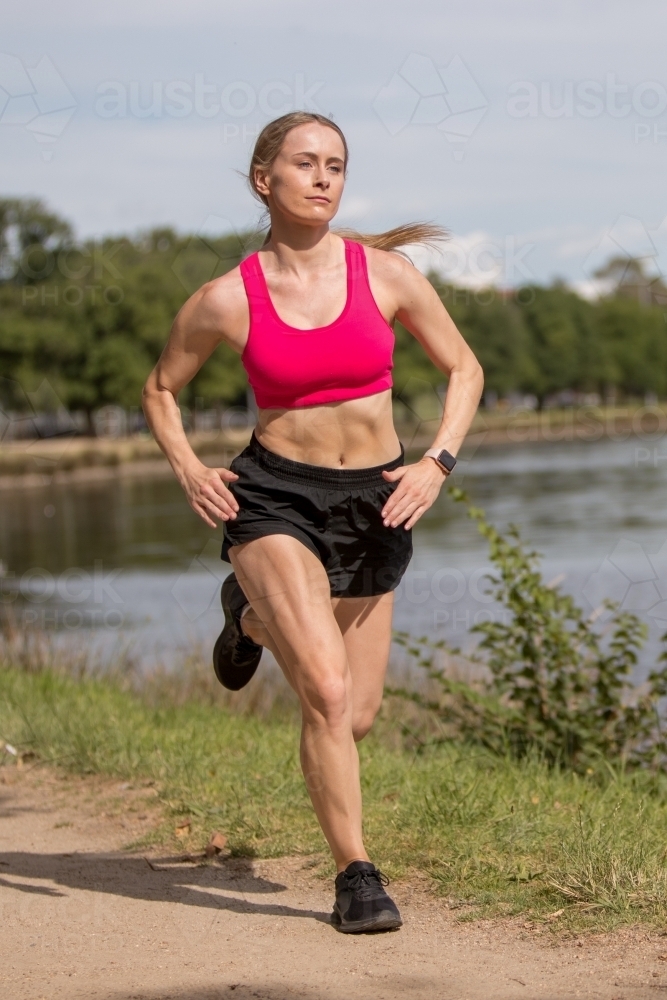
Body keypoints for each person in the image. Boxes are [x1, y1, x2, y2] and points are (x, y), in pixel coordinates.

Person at [142, 111, 483, 934]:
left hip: (376, 499)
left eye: (335, 163)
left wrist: (435, 462)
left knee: (358, 713)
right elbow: (160, 389)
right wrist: (191, 467)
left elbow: (464, 368)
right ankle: (355, 876)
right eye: (305, 163)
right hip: (274, 498)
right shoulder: (226, 298)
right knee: (325, 693)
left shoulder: (387, 275)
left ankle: (247, 619)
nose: (324, 177)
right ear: (266, 180)